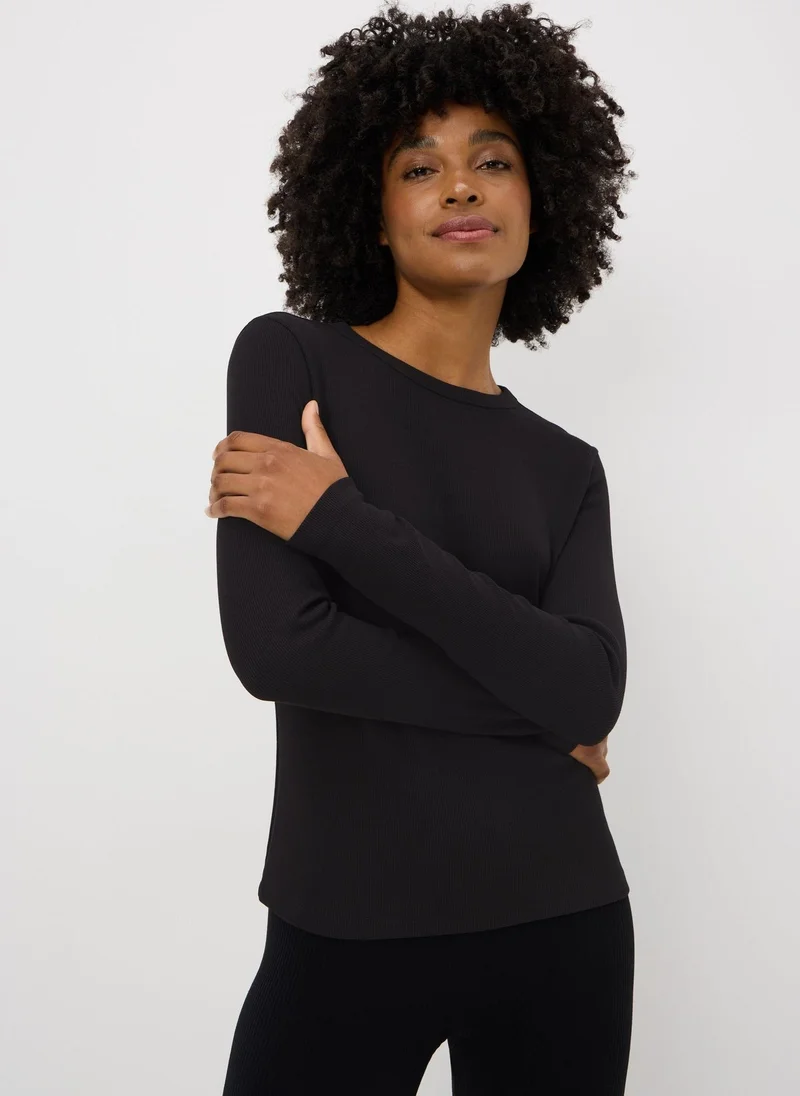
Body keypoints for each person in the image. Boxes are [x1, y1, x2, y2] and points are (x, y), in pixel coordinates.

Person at [206, 4, 637, 1093]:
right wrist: (540, 716)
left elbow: (592, 689)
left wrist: (340, 521)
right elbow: (278, 646)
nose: (459, 187)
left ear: (542, 199)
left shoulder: (567, 464)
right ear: (371, 210)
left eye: (493, 161)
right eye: (418, 166)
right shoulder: (290, 362)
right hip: (343, 928)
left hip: (564, 923)